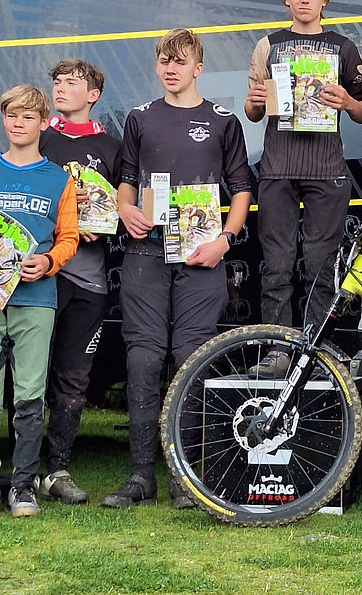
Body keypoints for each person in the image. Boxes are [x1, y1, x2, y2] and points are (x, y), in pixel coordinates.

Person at [100, 29, 252, 508]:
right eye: (164, 60)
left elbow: (242, 190)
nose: (171, 68)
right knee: (143, 357)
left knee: (191, 358)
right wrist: (126, 210)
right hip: (146, 254)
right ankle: (141, 476)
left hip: (200, 256)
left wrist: (224, 242)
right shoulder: (140, 118)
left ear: (198, 68)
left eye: (180, 61)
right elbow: (125, 184)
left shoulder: (223, 121)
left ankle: (186, 478)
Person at [242, 0, 362, 370]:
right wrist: (257, 101)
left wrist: (347, 103)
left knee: (320, 267)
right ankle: (278, 351)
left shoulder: (343, 48)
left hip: (326, 170)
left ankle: (315, 354)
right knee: (277, 265)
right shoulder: (269, 45)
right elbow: (251, 110)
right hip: (278, 167)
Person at [0, 85, 78, 517]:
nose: (18, 123)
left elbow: (69, 238)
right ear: (4, 119)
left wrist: (47, 261)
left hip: (35, 297)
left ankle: (24, 486)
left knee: (30, 393)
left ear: (43, 123)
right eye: (11, 115)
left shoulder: (58, 179)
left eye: (28, 117)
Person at [37, 59, 121, 505]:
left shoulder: (111, 147)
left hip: (89, 282)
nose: (62, 87)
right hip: (41, 277)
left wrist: (100, 214)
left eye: (73, 82)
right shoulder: (38, 138)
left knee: (73, 378)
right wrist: (65, 217)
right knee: (29, 374)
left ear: (93, 95)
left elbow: (127, 212)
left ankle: (57, 470)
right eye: (57, 81)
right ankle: (21, 472)